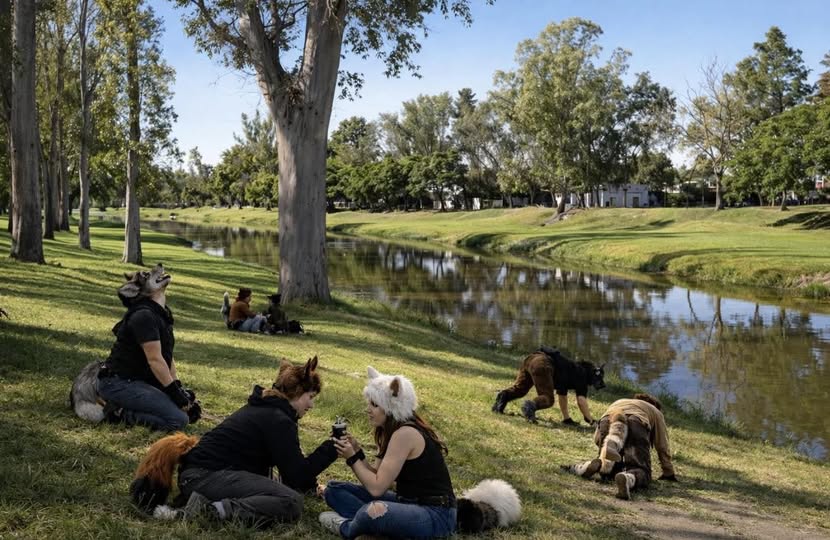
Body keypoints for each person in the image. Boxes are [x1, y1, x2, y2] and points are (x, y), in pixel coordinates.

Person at [131, 356, 338, 528]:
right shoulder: (278, 419)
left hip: (199, 477)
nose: (311, 405)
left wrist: (310, 484)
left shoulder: (270, 410)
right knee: (291, 502)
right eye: (310, 397)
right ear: (297, 391)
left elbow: (290, 466)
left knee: (280, 490)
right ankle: (203, 512)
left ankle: (204, 502)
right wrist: (332, 448)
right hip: (204, 477)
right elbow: (296, 478)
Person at [318, 366, 456, 539]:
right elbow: (377, 475)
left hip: (436, 515)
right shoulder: (390, 431)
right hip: (406, 502)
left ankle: (348, 527)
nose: (368, 409)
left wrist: (352, 458)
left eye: (375, 405)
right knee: (333, 489)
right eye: (369, 403)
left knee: (373, 511)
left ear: (392, 407)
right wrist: (357, 452)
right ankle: (381, 526)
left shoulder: (405, 434)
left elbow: (377, 488)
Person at [97, 264, 196, 431]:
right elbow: (155, 360)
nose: (157, 270)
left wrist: (179, 390)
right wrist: (176, 397)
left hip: (140, 381)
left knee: (183, 408)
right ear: (139, 291)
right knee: (178, 421)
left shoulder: (160, 313)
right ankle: (119, 412)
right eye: (148, 276)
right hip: (119, 383)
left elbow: (166, 356)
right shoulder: (143, 316)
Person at [561, 393, 677, 500]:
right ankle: (629, 478)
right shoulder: (655, 411)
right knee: (642, 471)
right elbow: (662, 445)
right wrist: (668, 471)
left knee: (609, 469)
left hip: (608, 420)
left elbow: (597, 439)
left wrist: (606, 448)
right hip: (636, 423)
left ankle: (587, 467)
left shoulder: (620, 401)